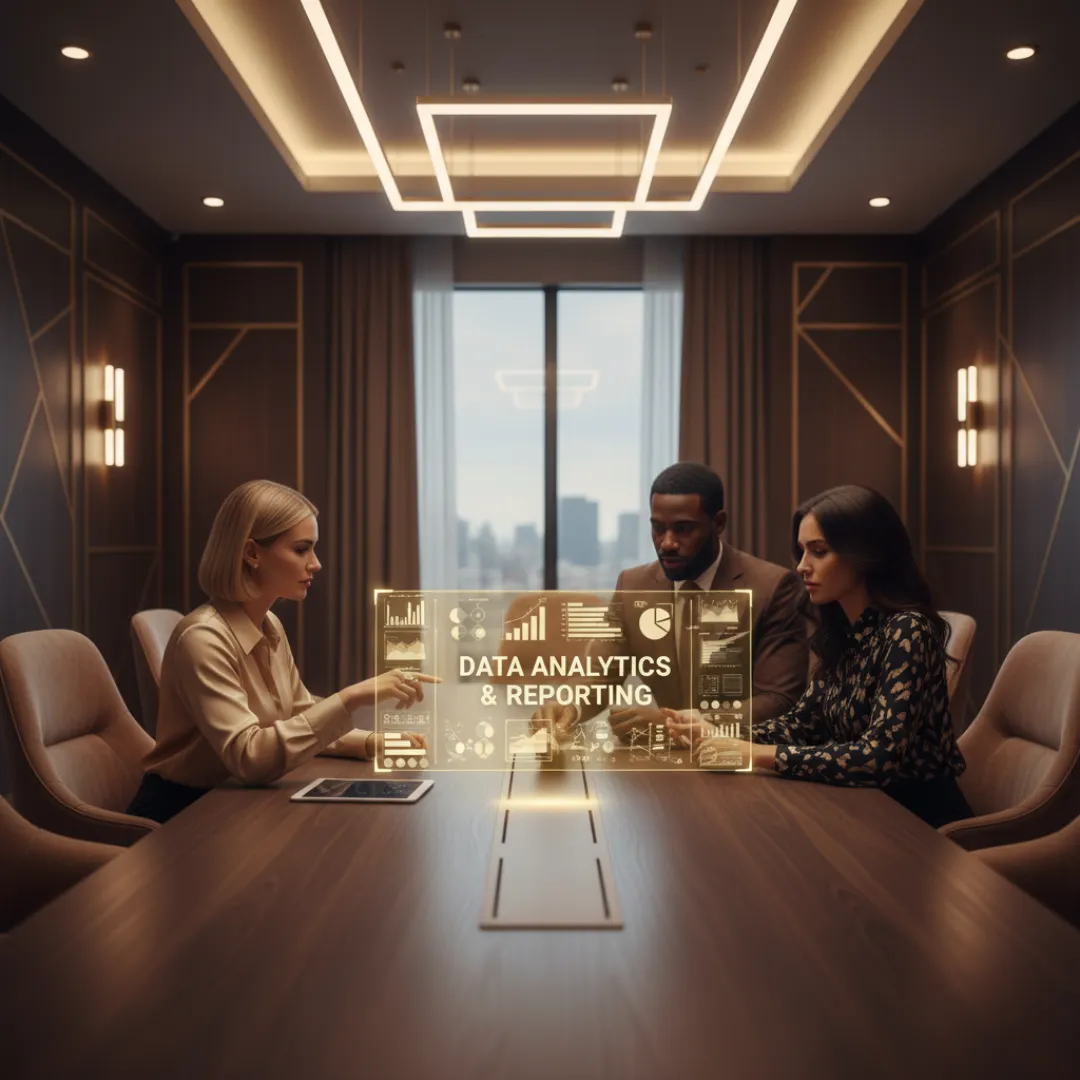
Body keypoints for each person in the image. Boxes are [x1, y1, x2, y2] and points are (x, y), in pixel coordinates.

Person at [127, 480, 433, 823]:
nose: (315, 563)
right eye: (302, 549)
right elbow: (251, 758)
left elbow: (299, 717)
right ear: (252, 553)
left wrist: (374, 743)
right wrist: (350, 697)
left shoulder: (268, 623)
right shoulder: (203, 638)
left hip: (233, 804)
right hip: (180, 815)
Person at [668, 484, 972, 828]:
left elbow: (878, 757)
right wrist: (714, 729)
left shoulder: (908, 631)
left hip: (917, 823)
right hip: (856, 808)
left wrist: (749, 753)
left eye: (819, 552)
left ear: (865, 553)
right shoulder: (844, 632)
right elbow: (801, 725)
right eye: (801, 552)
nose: (801, 567)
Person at [535, 462, 813, 741]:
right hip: (663, 768)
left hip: (745, 764)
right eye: (658, 528)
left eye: (683, 529)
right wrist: (568, 705)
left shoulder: (773, 587)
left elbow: (779, 701)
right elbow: (601, 675)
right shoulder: (632, 586)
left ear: (718, 524)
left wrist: (673, 724)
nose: (667, 543)